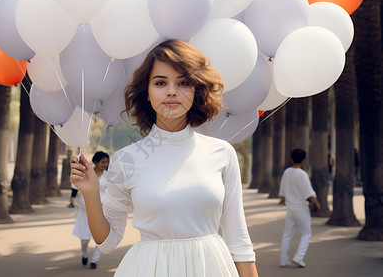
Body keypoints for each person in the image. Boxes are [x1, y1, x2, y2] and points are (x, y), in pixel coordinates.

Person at [70, 39, 258, 276]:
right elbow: (106, 242)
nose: (171, 91)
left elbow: (239, 241)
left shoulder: (222, 153)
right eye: (160, 82)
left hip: (210, 268)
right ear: (147, 93)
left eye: (183, 83)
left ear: (196, 90)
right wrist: (90, 193)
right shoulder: (125, 160)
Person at [279, 149, 321, 268]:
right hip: (301, 208)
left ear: (292, 159)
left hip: (290, 208)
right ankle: (298, 257)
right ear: (303, 160)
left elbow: (282, 192)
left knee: (287, 234)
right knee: (306, 234)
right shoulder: (302, 174)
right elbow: (309, 194)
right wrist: (317, 203)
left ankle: (283, 260)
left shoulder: (287, 172)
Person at [71, 151, 109, 270]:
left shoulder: (109, 176)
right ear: (96, 162)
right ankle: (85, 253)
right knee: (84, 239)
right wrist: (72, 199)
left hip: (102, 210)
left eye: (107, 162)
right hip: (84, 209)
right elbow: (75, 187)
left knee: (101, 237)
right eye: (103, 162)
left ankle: (94, 260)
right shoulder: (86, 173)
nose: (105, 164)